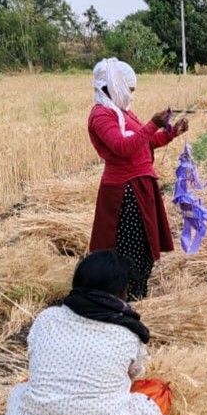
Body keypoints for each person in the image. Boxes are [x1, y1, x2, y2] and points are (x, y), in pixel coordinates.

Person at [0, 250, 172, 415]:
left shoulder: (46, 319)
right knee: (157, 392)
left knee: (25, 386)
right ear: (121, 292)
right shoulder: (126, 334)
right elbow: (135, 376)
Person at [87, 58, 188, 300]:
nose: (131, 95)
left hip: (140, 186)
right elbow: (122, 147)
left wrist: (172, 132)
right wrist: (153, 123)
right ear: (113, 85)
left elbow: (147, 141)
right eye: (129, 89)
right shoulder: (101, 116)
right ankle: (127, 301)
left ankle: (138, 297)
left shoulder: (122, 112)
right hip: (124, 192)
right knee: (129, 251)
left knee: (143, 248)